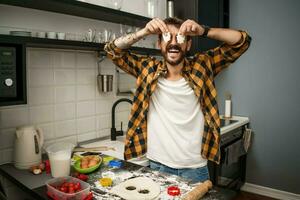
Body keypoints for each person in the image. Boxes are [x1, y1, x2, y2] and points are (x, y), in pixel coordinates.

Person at [104, 17, 251, 183]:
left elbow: (242, 42)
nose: (173, 43)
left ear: (187, 45)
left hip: (194, 168)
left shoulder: (203, 66)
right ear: (159, 43)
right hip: (156, 165)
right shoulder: (147, 69)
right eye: (167, 37)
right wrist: (144, 32)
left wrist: (203, 31)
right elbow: (111, 50)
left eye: (179, 37)